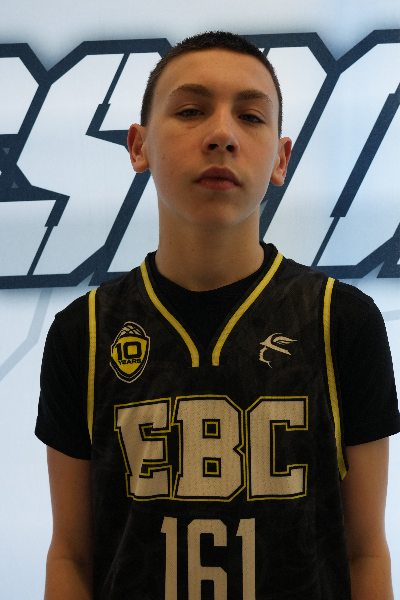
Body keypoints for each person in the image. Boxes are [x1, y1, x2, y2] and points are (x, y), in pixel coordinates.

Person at [36, 31, 400, 600]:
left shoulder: (341, 320)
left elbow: (364, 552)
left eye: (250, 117)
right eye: (190, 110)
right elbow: (72, 557)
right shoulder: (83, 332)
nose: (223, 134)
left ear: (281, 159)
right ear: (138, 146)